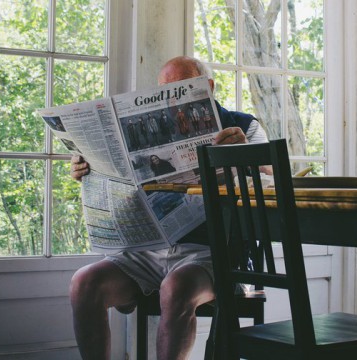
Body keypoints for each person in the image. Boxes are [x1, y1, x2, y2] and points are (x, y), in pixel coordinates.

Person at [69, 55, 270, 360]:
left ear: (208, 87)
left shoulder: (242, 126)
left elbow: (272, 184)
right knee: (84, 283)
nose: (172, 102)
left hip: (209, 254)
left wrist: (244, 155)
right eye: (165, 91)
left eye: (181, 89)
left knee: (176, 288)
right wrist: (86, 167)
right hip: (145, 252)